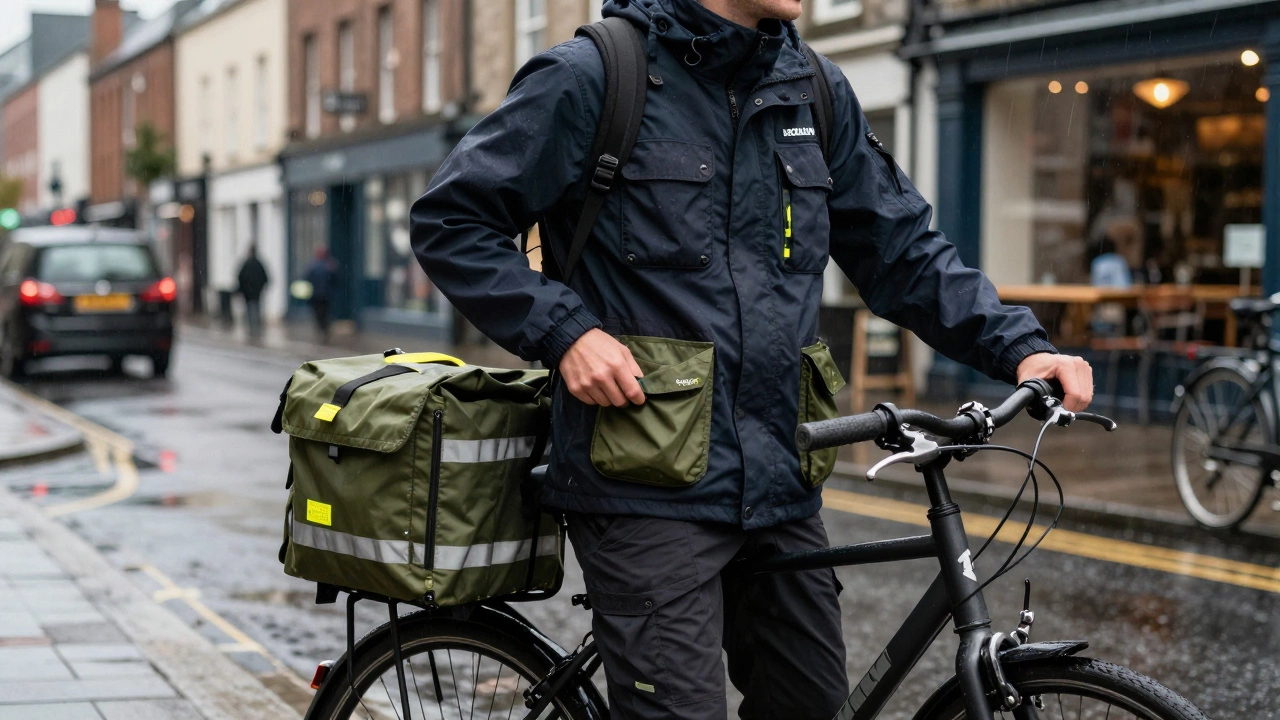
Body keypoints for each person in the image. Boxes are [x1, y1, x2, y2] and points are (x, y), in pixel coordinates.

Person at [410, 1, 1093, 718]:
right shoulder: (594, 77)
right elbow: (452, 220)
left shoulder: (817, 93)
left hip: (780, 480)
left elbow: (904, 255)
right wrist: (565, 331)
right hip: (645, 487)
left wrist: (1020, 346)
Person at [236, 245, 269, 341]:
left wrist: (242, 289)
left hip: (248, 293)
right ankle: (256, 328)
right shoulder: (258, 264)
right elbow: (265, 278)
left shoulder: (247, 264)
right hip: (255, 292)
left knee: (250, 310)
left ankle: (252, 329)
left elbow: (240, 277)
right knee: (256, 309)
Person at [305, 246, 338, 343]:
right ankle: (323, 329)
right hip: (323, 294)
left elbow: (307, 279)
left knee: (321, 313)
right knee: (323, 313)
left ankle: (323, 329)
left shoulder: (314, 265)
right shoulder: (330, 265)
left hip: (320, 294)